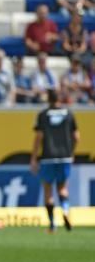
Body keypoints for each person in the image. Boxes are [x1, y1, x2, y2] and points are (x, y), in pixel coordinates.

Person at [30, 89, 80, 233]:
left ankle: (52, 225)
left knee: (48, 191)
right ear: (60, 98)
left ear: (48, 99)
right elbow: (77, 137)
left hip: (48, 157)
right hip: (65, 156)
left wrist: (33, 157)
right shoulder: (69, 114)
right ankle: (65, 211)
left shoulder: (43, 115)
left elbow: (38, 138)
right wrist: (71, 152)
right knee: (63, 188)